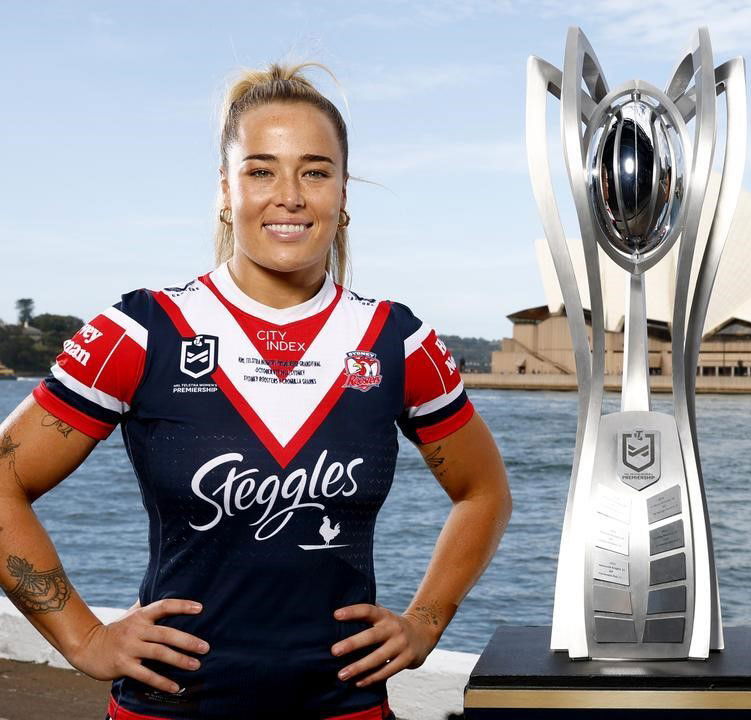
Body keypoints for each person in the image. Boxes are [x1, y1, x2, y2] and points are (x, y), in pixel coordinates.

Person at [0, 63, 511, 719]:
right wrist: (83, 637)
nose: (289, 196)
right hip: (170, 707)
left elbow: (484, 491)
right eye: (261, 170)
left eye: (315, 172)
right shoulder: (142, 332)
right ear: (226, 189)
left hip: (345, 707)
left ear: (343, 193)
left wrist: (424, 622)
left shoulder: (396, 341)